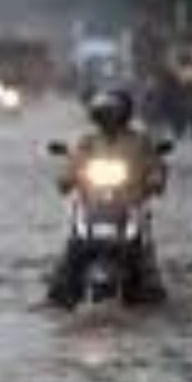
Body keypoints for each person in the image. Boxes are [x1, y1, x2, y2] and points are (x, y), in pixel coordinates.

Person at [48, 88, 169, 307]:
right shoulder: (87, 141)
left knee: (143, 257)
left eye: (112, 113)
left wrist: (155, 179)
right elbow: (71, 165)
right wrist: (66, 178)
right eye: (103, 113)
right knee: (72, 250)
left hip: (130, 206)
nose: (108, 118)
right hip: (91, 206)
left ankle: (150, 292)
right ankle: (60, 295)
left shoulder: (139, 141)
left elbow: (154, 166)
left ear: (124, 114)